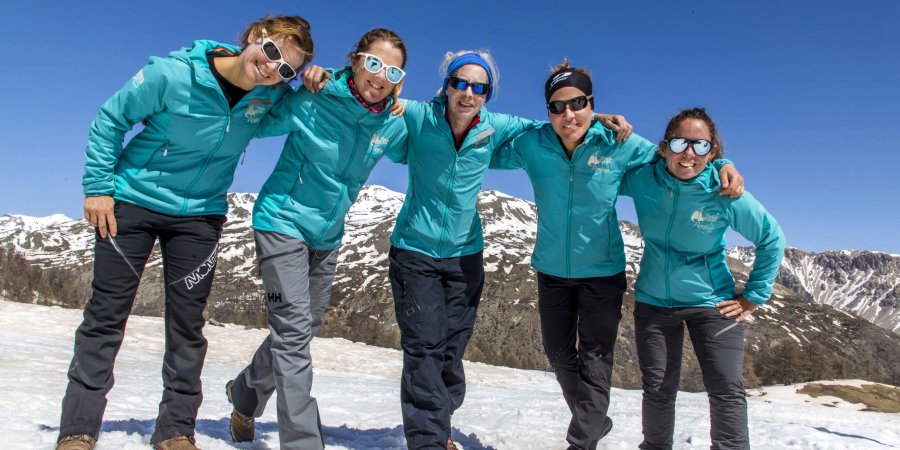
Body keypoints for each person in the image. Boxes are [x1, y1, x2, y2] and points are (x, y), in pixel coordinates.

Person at [56, 16, 313, 450]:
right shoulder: (173, 75)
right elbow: (111, 118)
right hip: (133, 203)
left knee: (188, 327)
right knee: (106, 316)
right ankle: (77, 430)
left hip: (199, 216)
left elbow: (317, 98)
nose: (272, 69)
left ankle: (175, 430)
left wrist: (322, 78)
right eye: (271, 53)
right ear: (255, 37)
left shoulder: (269, 97)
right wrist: (98, 188)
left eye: (286, 69)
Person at [490, 61, 744, 450]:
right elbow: (488, 130)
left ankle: (582, 441)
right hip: (552, 270)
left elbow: (680, 155)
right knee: (558, 354)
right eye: (557, 107)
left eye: (578, 103)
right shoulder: (533, 143)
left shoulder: (619, 143)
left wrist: (722, 162)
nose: (568, 114)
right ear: (548, 111)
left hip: (603, 273)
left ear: (591, 102)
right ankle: (595, 420)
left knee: (595, 359)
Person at [224, 28, 409, 450]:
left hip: (327, 236)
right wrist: (286, 81)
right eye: (374, 63)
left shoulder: (393, 124)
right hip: (282, 222)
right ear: (356, 59)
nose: (380, 76)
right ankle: (303, 443)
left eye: (393, 71)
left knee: (304, 328)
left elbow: (424, 136)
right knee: (292, 334)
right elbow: (257, 119)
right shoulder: (314, 97)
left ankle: (246, 393)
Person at [619, 108, 785, 450]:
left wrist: (752, 297)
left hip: (713, 303)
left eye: (700, 145)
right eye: (680, 143)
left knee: (726, 389)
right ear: (664, 147)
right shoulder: (643, 179)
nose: (688, 153)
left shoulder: (723, 191)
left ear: (712, 152)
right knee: (658, 389)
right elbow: (602, 161)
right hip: (654, 301)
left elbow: (772, 238)